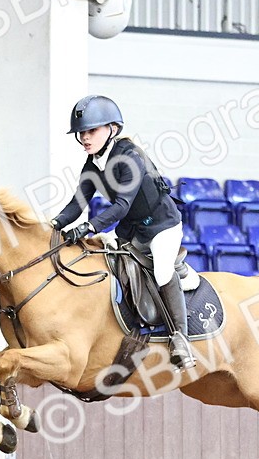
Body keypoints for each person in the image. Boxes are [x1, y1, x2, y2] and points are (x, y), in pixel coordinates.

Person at [49, 95, 195, 370]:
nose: (84, 138)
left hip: (161, 226)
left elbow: (121, 205)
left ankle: (181, 339)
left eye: (91, 131)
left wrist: (88, 227)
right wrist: (53, 225)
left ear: (112, 129)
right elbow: (77, 203)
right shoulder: (93, 164)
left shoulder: (130, 157)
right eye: (81, 133)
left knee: (163, 271)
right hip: (132, 230)